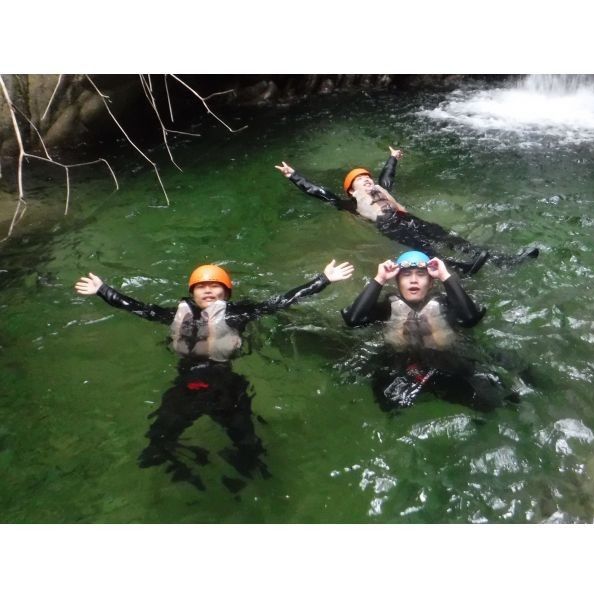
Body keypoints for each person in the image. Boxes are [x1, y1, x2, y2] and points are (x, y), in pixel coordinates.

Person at [75, 260, 354, 491]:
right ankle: (164, 480)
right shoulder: (177, 314)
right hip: (186, 384)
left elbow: (279, 302)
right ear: (192, 293)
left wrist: (323, 280)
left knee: (247, 444)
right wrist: (103, 290)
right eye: (201, 287)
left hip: (226, 384)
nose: (207, 290)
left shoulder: (237, 314)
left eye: (214, 285)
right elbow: (139, 308)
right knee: (158, 439)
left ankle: (254, 482)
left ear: (226, 292)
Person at [274, 147, 538, 276]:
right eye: (360, 180)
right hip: (390, 226)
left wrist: (393, 158)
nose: (367, 181)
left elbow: (388, 176)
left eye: (367, 178)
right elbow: (318, 192)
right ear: (351, 190)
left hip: (407, 218)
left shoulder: (381, 189)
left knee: (449, 238)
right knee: (427, 248)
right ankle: (461, 270)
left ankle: (502, 260)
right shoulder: (352, 203)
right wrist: (293, 175)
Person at [341, 250, 518, 412]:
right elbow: (353, 320)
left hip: (447, 364)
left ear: (431, 282)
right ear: (397, 282)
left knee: (493, 403)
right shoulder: (388, 306)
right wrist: (380, 278)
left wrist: (445, 275)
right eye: (406, 275)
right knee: (387, 406)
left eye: (421, 274)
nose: (413, 280)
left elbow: (470, 319)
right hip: (400, 367)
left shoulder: (445, 304)